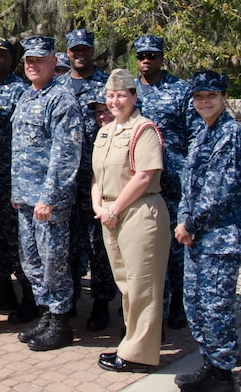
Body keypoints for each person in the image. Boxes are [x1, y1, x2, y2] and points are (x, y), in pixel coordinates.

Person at [173, 71, 241, 392]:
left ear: (223, 98)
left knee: (215, 305)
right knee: (195, 303)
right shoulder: (204, 134)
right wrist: (185, 222)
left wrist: (190, 224)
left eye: (210, 96)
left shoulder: (230, 135)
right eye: (198, 97)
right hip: (197, 237)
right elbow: (189, 188)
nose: (204, 102)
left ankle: (222, 375)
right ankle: (210, 364)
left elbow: (217, 192)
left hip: (220, 239)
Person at [92, 68, 170, 372]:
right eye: (110, 96)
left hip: (139, 212)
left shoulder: (144, 129)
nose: (115, 101)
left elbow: (145, 175)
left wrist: (113, 209)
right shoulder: (106, 131)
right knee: (126, 284)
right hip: (111, 215)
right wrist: (99, 205)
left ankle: (140, 354)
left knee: (143, 286)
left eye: (122, 95)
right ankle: (131, 344)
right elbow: (98, 176)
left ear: (134, 97)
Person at [11, 36, 82, 351]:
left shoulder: (61, 99)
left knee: (53, 260)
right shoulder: (27, 96)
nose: (32, 65)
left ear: (54, 62)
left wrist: (49, 198)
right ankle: (45, 313)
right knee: (30, 259)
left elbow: (65, 154)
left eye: (39, 59)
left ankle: (60, 322)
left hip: (47, 201)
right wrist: (17, 191)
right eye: (28, 60)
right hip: (25, 198)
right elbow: (19, 150)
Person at [133, 35, 200, 329]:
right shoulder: (129, 91)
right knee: (146, 248)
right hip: (138, 181)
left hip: (173, 179)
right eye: (141, 55)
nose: (146, 59)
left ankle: (177, 303)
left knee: (175, 247)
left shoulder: (180, 90)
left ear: (162, 58)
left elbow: (196, 135)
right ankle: (149, 308)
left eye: (152, 54)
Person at [56, 28, 115, 331]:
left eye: (84, 49)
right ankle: (71, 299)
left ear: (92, 50)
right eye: (74, 50)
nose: (79, 54)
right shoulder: (58, 86)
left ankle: (102, 303)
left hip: (99, 179)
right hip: (67, 181)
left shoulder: (107, 86)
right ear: (67, 53)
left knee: (98, 246)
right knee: (68, 244)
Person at [0, 37, 37, 322]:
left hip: (14, 179)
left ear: (11, 59)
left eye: (0, 55)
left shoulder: (21, 92)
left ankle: (29, 297)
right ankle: (3, 289)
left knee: (19, 241)